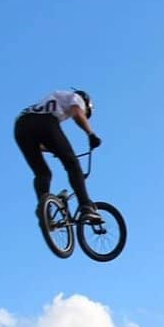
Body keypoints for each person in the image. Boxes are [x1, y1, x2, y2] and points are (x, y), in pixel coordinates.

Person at [14, 87, 103, 224]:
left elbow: (38, 143)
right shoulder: (76, 98)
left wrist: (53, 149)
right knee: (72, 164)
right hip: (44, 122)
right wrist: (91, 134)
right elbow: (77, 114)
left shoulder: (51, 101)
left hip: (20, 127)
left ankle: (45, 213)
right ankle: (86, 206)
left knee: (42, 173)